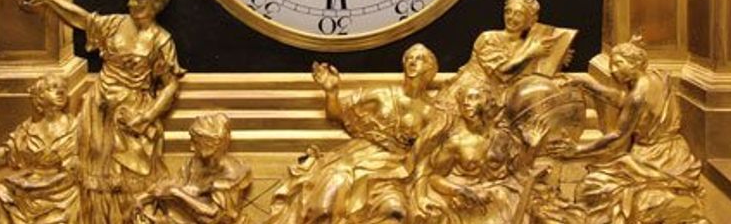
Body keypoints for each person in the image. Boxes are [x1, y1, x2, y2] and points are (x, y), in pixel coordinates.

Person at [21, 0, 186, 224]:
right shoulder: (115, 24)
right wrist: (48, 0)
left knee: (130, 178)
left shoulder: (161, 41)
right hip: (97, 110)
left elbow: (170, 86)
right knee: (94, 177)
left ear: (154, 4)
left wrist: (146, 117)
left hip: (130, 118)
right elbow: (84, 20)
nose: (131, 4)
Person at [267, 44, 440, 224]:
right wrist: (332, 92)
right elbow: (337, 114)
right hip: (360, 153)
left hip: (393, 166)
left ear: (430, 68)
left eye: (419, 58)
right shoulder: (380, 94)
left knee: (388, 205)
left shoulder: (432, 111)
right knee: (336, 179)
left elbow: (430, 152)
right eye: (409, 58)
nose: (412, 62)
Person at [567, 36, 709, 223]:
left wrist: (578, 150)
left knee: (594, 187)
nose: (612, 70)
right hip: (676, 151)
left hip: (653, 156)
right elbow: (624, 101)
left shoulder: (638, 95)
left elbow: (617, 135)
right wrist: (588, 83)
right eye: (612, 64)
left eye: (618, 64)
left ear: (634, 64)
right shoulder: (659, 75)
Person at [0, 74, 79, 224]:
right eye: (52, 88)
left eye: (63, 88)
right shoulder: (27, 130)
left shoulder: (77, 127)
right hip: (29, 190)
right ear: (39, 97)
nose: (60, 91)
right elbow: (5, 155)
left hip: (63, 192)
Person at [409, 85, 528, 224]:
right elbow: (434, 177)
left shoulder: (502, 136)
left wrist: (533, 146)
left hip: (499, 198)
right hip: (465, 202)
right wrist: (460, 191)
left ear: (487, 102)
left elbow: (520, 171)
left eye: (473, 98)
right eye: (463, 100)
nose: (466, 103)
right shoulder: (456, 142)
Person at [440, 0, 573, 109]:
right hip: (472, 95)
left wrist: (557, 59)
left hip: (501, 99)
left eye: (518, 14)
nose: (511, 17)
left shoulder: (527, 45)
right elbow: (503, 72)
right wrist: (531, 53)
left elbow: (528, 77)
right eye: (508, 11)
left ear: (531, 20)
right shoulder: (488, 38)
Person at [134, 113, 252, 224]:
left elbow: (213, 213)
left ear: (211, 144)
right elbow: (175, 183)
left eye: (195, 142)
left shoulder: (231, 174)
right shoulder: (195, 163)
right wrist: (144, 196)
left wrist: (176, 193)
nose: (191, 148)